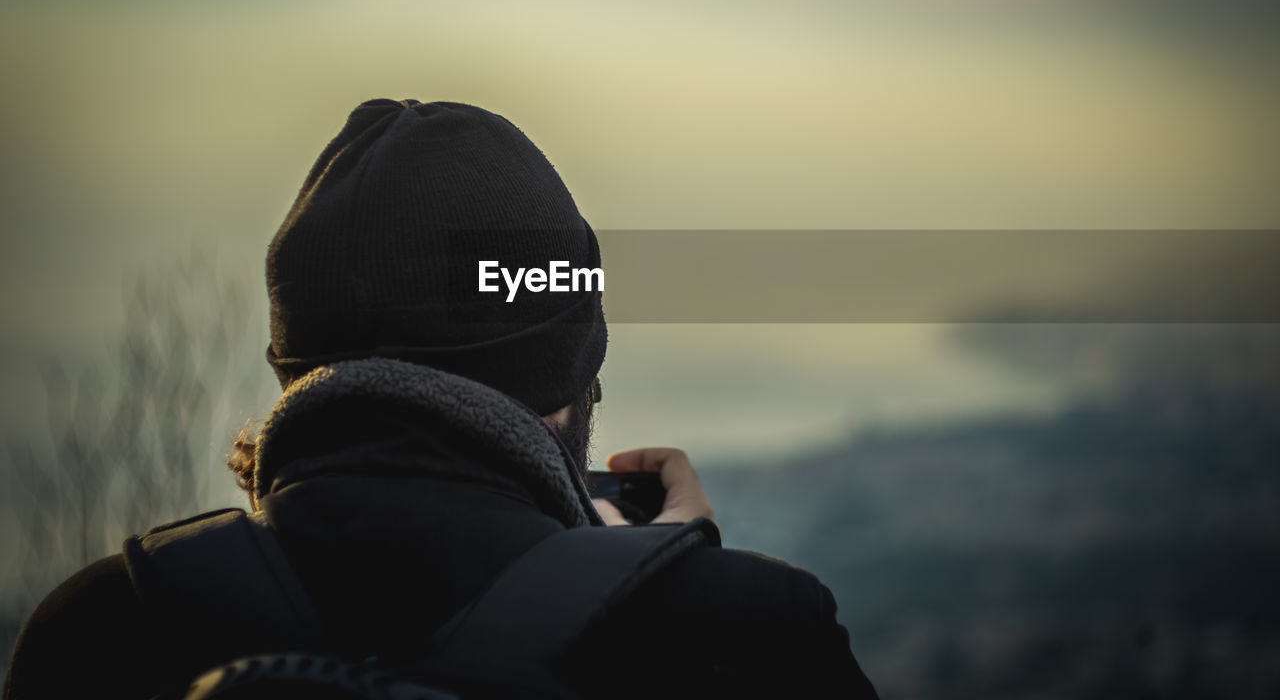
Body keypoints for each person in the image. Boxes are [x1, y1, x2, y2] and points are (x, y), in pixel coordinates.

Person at [4, 99, 878, 699]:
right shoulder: (754, 634)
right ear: (569, 386)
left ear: (296, 365)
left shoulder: (99, 629)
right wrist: (670, 585)